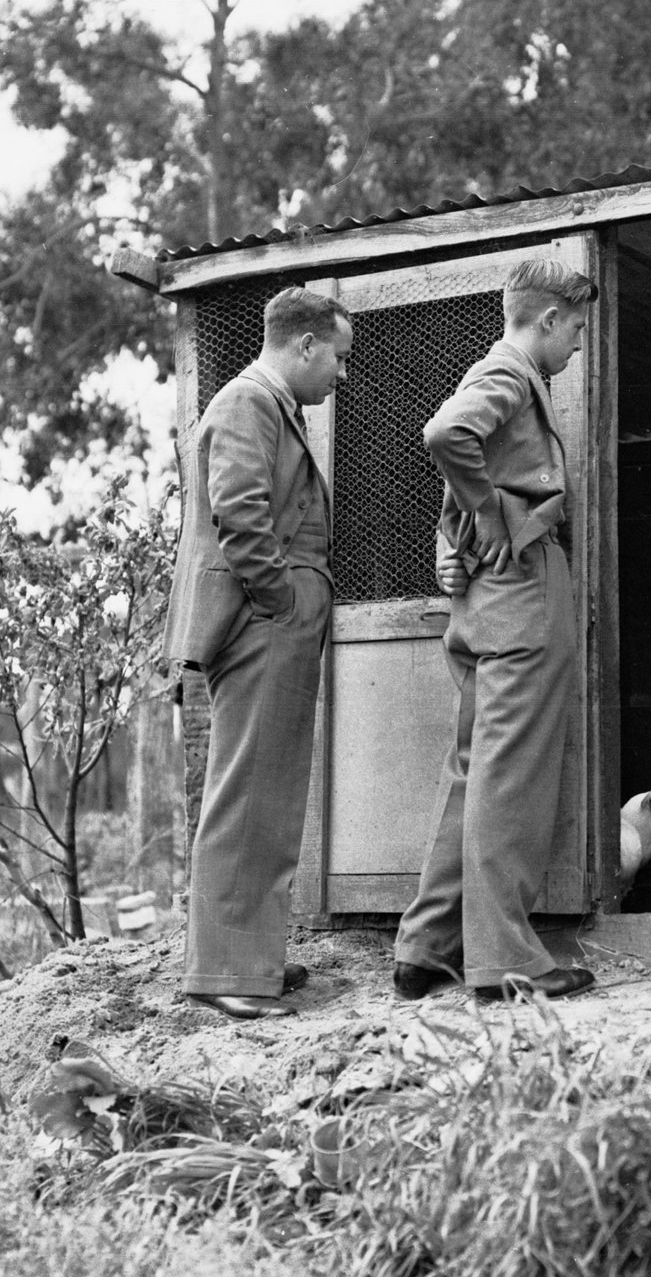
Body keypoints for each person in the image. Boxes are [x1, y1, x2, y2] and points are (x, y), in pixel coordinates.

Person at [392, 258, 599, 1003]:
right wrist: (487, 513)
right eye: (574, 330)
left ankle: (426, 949)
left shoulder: (501, 372)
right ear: (546, 321)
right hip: (520, 592)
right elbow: (447, 434)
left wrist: (460, 529)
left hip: (484, 597)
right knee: (509, 776)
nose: (577, 346)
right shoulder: (511, 374)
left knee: (473, 766)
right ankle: (505, 961)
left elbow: (460, 455)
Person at [165, 286, 350, 1019]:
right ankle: (229, 977)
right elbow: (239, 510)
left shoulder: (274, 405)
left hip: (271, 617)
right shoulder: (247, 401)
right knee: (248, 795)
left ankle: (252, 959)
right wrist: (282, 599)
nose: (341, 374)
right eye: (337, 357)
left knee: (267, 796)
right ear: (303, 344)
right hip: (260, 618)